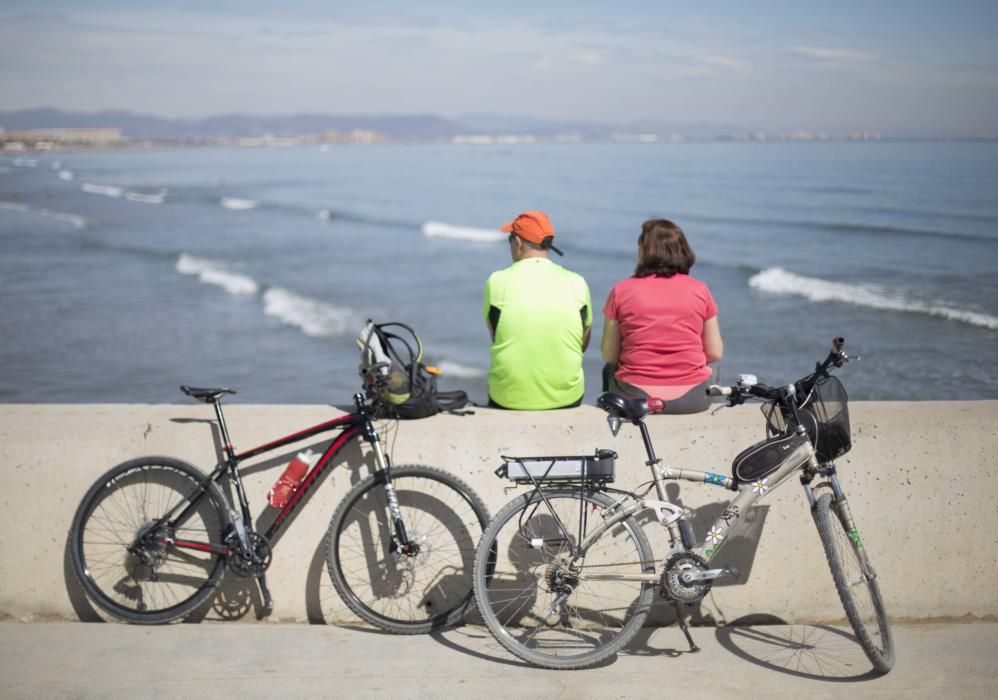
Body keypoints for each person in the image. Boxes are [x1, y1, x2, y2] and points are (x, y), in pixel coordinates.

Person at [601, 218, 723, 414]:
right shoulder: (700, 290)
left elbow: (610, 355)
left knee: (609, 370)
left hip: (637, 397)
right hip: (692, 400)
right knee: (713, 368)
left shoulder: (621, 290)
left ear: (643, 250)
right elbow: (715, 353)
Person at [483, 210, 592, 410]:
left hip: (508, 398)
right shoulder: (577, 282)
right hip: (566, 397)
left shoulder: (497, 281)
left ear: (518, 242)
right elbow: (582, 343)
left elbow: (497, 336)